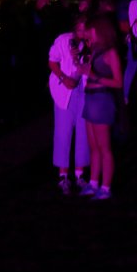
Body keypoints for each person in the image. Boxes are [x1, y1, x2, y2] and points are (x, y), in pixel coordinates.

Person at [78, 15, 123, 201]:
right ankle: (93, 183)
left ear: (98, 30)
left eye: (90, 30)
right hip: (90, 98)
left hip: (102, 100)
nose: (87, 33)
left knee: (104, 148)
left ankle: (106, 187)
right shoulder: (95, 49)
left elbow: (118, 82)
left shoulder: (110, 52)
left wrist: (94, 76)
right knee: (93, 147)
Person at [48, 14, 91, 194]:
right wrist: (64, 78)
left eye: (85, 29)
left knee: (83, 132)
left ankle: (80, 175)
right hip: (64, 91)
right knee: (63, 132)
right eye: (79, 29)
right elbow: (52, 62)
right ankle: (63, 176)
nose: (82, 33)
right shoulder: (64, 40)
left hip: (83, 91)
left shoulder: (90, 44)